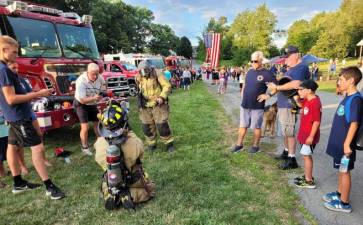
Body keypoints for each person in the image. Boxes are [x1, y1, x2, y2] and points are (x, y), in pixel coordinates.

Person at [0, 35, 64, 199]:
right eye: (14, 52)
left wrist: (35, 94)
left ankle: (18, 183)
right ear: (4, 50)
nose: (17, 56)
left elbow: (14, 95)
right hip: (19, 116)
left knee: (12, 148)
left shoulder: (4, 69)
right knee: (38, 148)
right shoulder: (4, 70)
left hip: (14, 116)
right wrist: (40, 93)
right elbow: (11, 99)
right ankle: (49, 187)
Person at [323, 66, 363, 213]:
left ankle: (344, 203)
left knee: (345, 171)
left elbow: (354, 123)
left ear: (351, 81)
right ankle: (340, 194)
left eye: (341, 79)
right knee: (341, 169)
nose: (338, 82)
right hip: (339, 142)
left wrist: (347, 144)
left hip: (345, 145)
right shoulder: (348, 97)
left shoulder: (356, 100)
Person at [267, 45, 311, 169]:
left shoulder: (301, 67)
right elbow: (286, 82)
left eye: (287, 56)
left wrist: (277, 87)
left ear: (296, 55)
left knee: (289, 132)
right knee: (286, 131)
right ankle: (286, 152)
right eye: (284, 56)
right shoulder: (291, 68)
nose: (285, 59)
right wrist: (272, 92)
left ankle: (292, 159)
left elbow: (296, 84)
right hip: (283, 104)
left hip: (289, 104)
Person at [231, 51, 277, 154]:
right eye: (251, 61)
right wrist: (243, 91)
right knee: (242, 125)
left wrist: (268, 95)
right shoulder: (250, 71)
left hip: (257, 106)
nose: (252, 63)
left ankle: (255, 146)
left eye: (255, 61)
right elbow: (245, 83)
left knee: (256, 127)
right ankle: (239, 145)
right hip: (245, 104)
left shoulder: (267, 73)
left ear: (261, 61)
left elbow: (276, 87)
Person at [136, 60, 174, 152]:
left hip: (158, 104)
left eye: (146, 70)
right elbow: (138, 87)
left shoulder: (157, 73)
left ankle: (169, 144)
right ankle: (151, 144)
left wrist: (162, 97)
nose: (144, 73)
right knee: (147, 126)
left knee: (162, 125)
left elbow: (167, 86)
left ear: (149, 68)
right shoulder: (138, 76)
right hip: (145, 104)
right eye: (141, 71)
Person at [292, 80, 321, 188]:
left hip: (309, 136)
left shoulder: (315, 103)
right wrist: (297, 100)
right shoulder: (308, 99)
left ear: (309, 90)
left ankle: (309, 181)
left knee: (306, 156)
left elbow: (317, 121)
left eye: (300, 89)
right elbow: (301, 106)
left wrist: (311, 136)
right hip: (304, 134)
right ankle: (307, 176)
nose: (298, 91)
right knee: (305, 155)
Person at [74, 63, 106, 155]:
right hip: (81, 104)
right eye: (93, 74)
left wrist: (102, 94)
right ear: (87, 72)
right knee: (85, 127)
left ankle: (100, 144)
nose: (95, 76)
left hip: (92, 103)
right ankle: (85, 148)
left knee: (98, 123)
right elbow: (83, 100)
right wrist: (94, 98)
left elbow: (103, 86)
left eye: (97, 73)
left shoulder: (100, 77)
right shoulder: (81, 81)